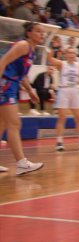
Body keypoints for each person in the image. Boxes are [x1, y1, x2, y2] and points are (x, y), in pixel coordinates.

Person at [0, 22, 45, 175]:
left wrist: (30, 91)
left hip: (11, 84)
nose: (42, 34)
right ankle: (21, 163)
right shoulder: (23, 45)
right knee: (14, 123)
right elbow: (3, 61)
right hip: (5, 84)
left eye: (43, 32)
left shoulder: (32, 51)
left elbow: (22, 75)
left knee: (3, 123)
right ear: (29, 33)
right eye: (38, 31)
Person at [48, 48, 79, 151]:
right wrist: (51, 51)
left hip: (75, 90)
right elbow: (50, 59)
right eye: (70, 52)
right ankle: (59, 142)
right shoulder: (62, 64)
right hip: (63, 90)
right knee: (62, 118)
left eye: (74, 53)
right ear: (66, 54)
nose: (72, 54)